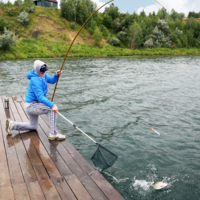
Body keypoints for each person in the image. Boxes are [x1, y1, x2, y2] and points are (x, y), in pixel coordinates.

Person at [6, 60, 66, 140]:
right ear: (37, 70)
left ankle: (12, 125)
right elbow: (40, 97)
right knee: (51, 109)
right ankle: (53, 133)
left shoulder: (43, 75)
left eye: (44, 71)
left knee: (33, 126)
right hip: (31, 105)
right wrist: (52, 105)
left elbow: (52, 81)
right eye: (42, 71)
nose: (43, 72)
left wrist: (56, 75)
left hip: (34, 105)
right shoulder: (35, 80)